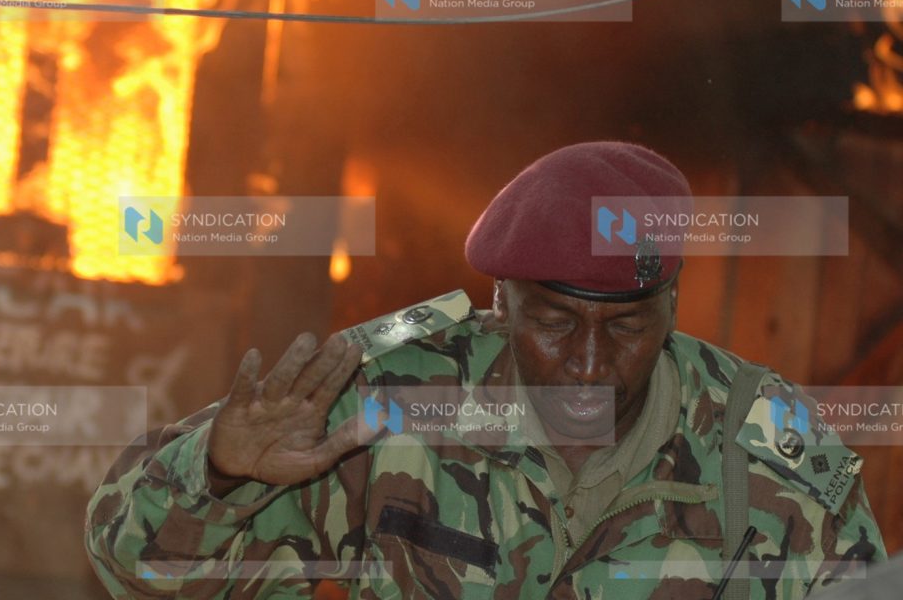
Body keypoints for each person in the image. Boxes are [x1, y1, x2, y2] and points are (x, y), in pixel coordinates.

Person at [86, 141, 885, 600]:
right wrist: (220, 477)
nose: (590, 362)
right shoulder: (390, 405)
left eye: (629, 325)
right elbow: (133, 566)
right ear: (499, 301)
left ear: (674, 301)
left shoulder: (766, 458)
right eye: (553, 321)